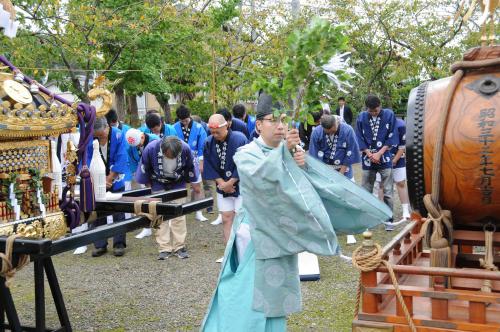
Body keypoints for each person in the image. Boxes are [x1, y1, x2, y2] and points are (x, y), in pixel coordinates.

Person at [201, 93, 391, 331]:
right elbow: (259, 177)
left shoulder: (290, 151)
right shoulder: (246, 152)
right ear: (258, 125)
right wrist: (286, 155)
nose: (280, 126)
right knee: (246, 293)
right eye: (272, 120)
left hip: (283, 234)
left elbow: (307, 191)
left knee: (275, 297)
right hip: (256, 233)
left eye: (283, 120)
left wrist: (303, 166)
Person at [135, 136, 201, 260]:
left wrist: (191, 183)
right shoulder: (151, 148)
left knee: (179, 215)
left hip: (178, 182)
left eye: (174, 156)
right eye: (169, 155)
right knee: (159, 215)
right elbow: (145, 170)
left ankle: (179, 246)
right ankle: (164, 247)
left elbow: (190, 168)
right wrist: (151, 189)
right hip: (157, 182)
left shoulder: (185, 148)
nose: (171, 158)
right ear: (163, 150)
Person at [308, 114, 361, 244]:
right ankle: (328, 231)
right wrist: (325, 175)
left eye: (333, 129)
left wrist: (340, 175)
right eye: (328, 132)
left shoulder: (347, 130)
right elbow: (314, 157)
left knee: (348, 200)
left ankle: (350, 232)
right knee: (327, 201)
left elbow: (351, 152)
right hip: (325, 170)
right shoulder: (317, 133)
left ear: (336, 124)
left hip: (344, 169)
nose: (332, 132)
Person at [203, 114, 248, 262]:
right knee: (226, 218)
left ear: (226, 126)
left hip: (240, 185)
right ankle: (229, 253)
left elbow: (245, 162)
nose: (214, 135)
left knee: (241, 219)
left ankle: (243, 254)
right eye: (212, 132)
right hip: (222, 185)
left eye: (218, 131)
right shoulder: (209, 142)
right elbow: (209, 165)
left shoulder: (239, 138)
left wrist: (231, 182)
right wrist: (222, 183)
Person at [87, 117, 130, 257]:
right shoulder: (90, 137)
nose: (100, 137)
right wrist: (98, 180)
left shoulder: (118, 134)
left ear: (107, 127)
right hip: (97, 179)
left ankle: (119, 244)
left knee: (118, 211)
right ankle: (100, 244)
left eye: (102, 134)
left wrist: (109, 178)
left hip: (115, 179)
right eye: (97, 136)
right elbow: (87, 158)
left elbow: (122, 157)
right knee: (98, 212)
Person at [355, 95, 397, 230]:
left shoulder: (389, 115)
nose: (373, 112)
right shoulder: (361, 117)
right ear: (366, 108)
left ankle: (389, 219)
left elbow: (392, 135)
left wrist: (379, 153)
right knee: (366, 190)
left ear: (380, 105)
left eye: (376, 110)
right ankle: (368, 220)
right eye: (370, 111)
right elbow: (359, 137)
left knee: (388, 191)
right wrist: (369, 153)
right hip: (368, 158)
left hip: (384, 157)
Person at [173, 105, 208, 222]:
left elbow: (202, 147)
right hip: (179, 162)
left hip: (195, 161)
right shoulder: (174, 128)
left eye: (186, 120)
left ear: (190, 116)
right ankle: (179, 212)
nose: (185, 123)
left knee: (197, 188)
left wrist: (201, 163)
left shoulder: (199, 127)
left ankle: (198, 211)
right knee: (179, 189)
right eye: (182, 121)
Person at [125, 128, 160, 239]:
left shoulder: (155, 140)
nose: (137, 147)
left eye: (138, 144)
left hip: (158, 175)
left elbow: (160, 160)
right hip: (143, 174)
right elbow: (133, 164)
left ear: (142, 136)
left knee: (159, 200)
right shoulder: (131, 147)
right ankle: (146, 228)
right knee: (144, 201)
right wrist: (142, 179)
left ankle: (162, 225)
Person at [391, 117, 411, 220]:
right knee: (380, 185)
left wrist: (394, 160)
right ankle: (385, 212)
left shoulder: (401, 125)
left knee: (401, 183)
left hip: (398, 156)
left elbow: (402, 146)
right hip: (382, 158)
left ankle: (405, 210)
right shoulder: (378, 123)